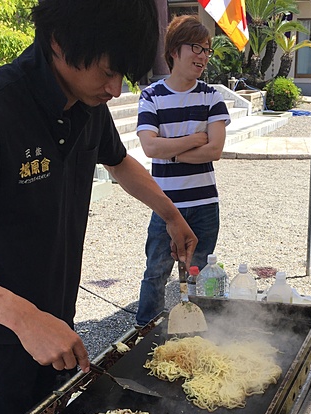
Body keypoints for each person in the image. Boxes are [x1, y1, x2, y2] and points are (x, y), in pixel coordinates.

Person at [0, 0, 197, 414]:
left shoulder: (85, 102)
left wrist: (170, 212)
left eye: (123, 75)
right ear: (57, 42)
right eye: (107, 71)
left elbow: (119, 161)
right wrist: (24, 318)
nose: (115, 87)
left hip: (51, 305)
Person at [135, 15, 230, 327]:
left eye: (206, 50)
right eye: (196, 48)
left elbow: (214, 150)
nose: (202, 56)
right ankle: (145, 331)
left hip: (204, 205)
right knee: (155, 273)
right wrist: (191, 141)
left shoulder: (212, 95)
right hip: (165, 204)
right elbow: (150, 148)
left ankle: (202, 333)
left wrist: (170, 151)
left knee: (202, 275)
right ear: (174, 50)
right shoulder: (151, 96)